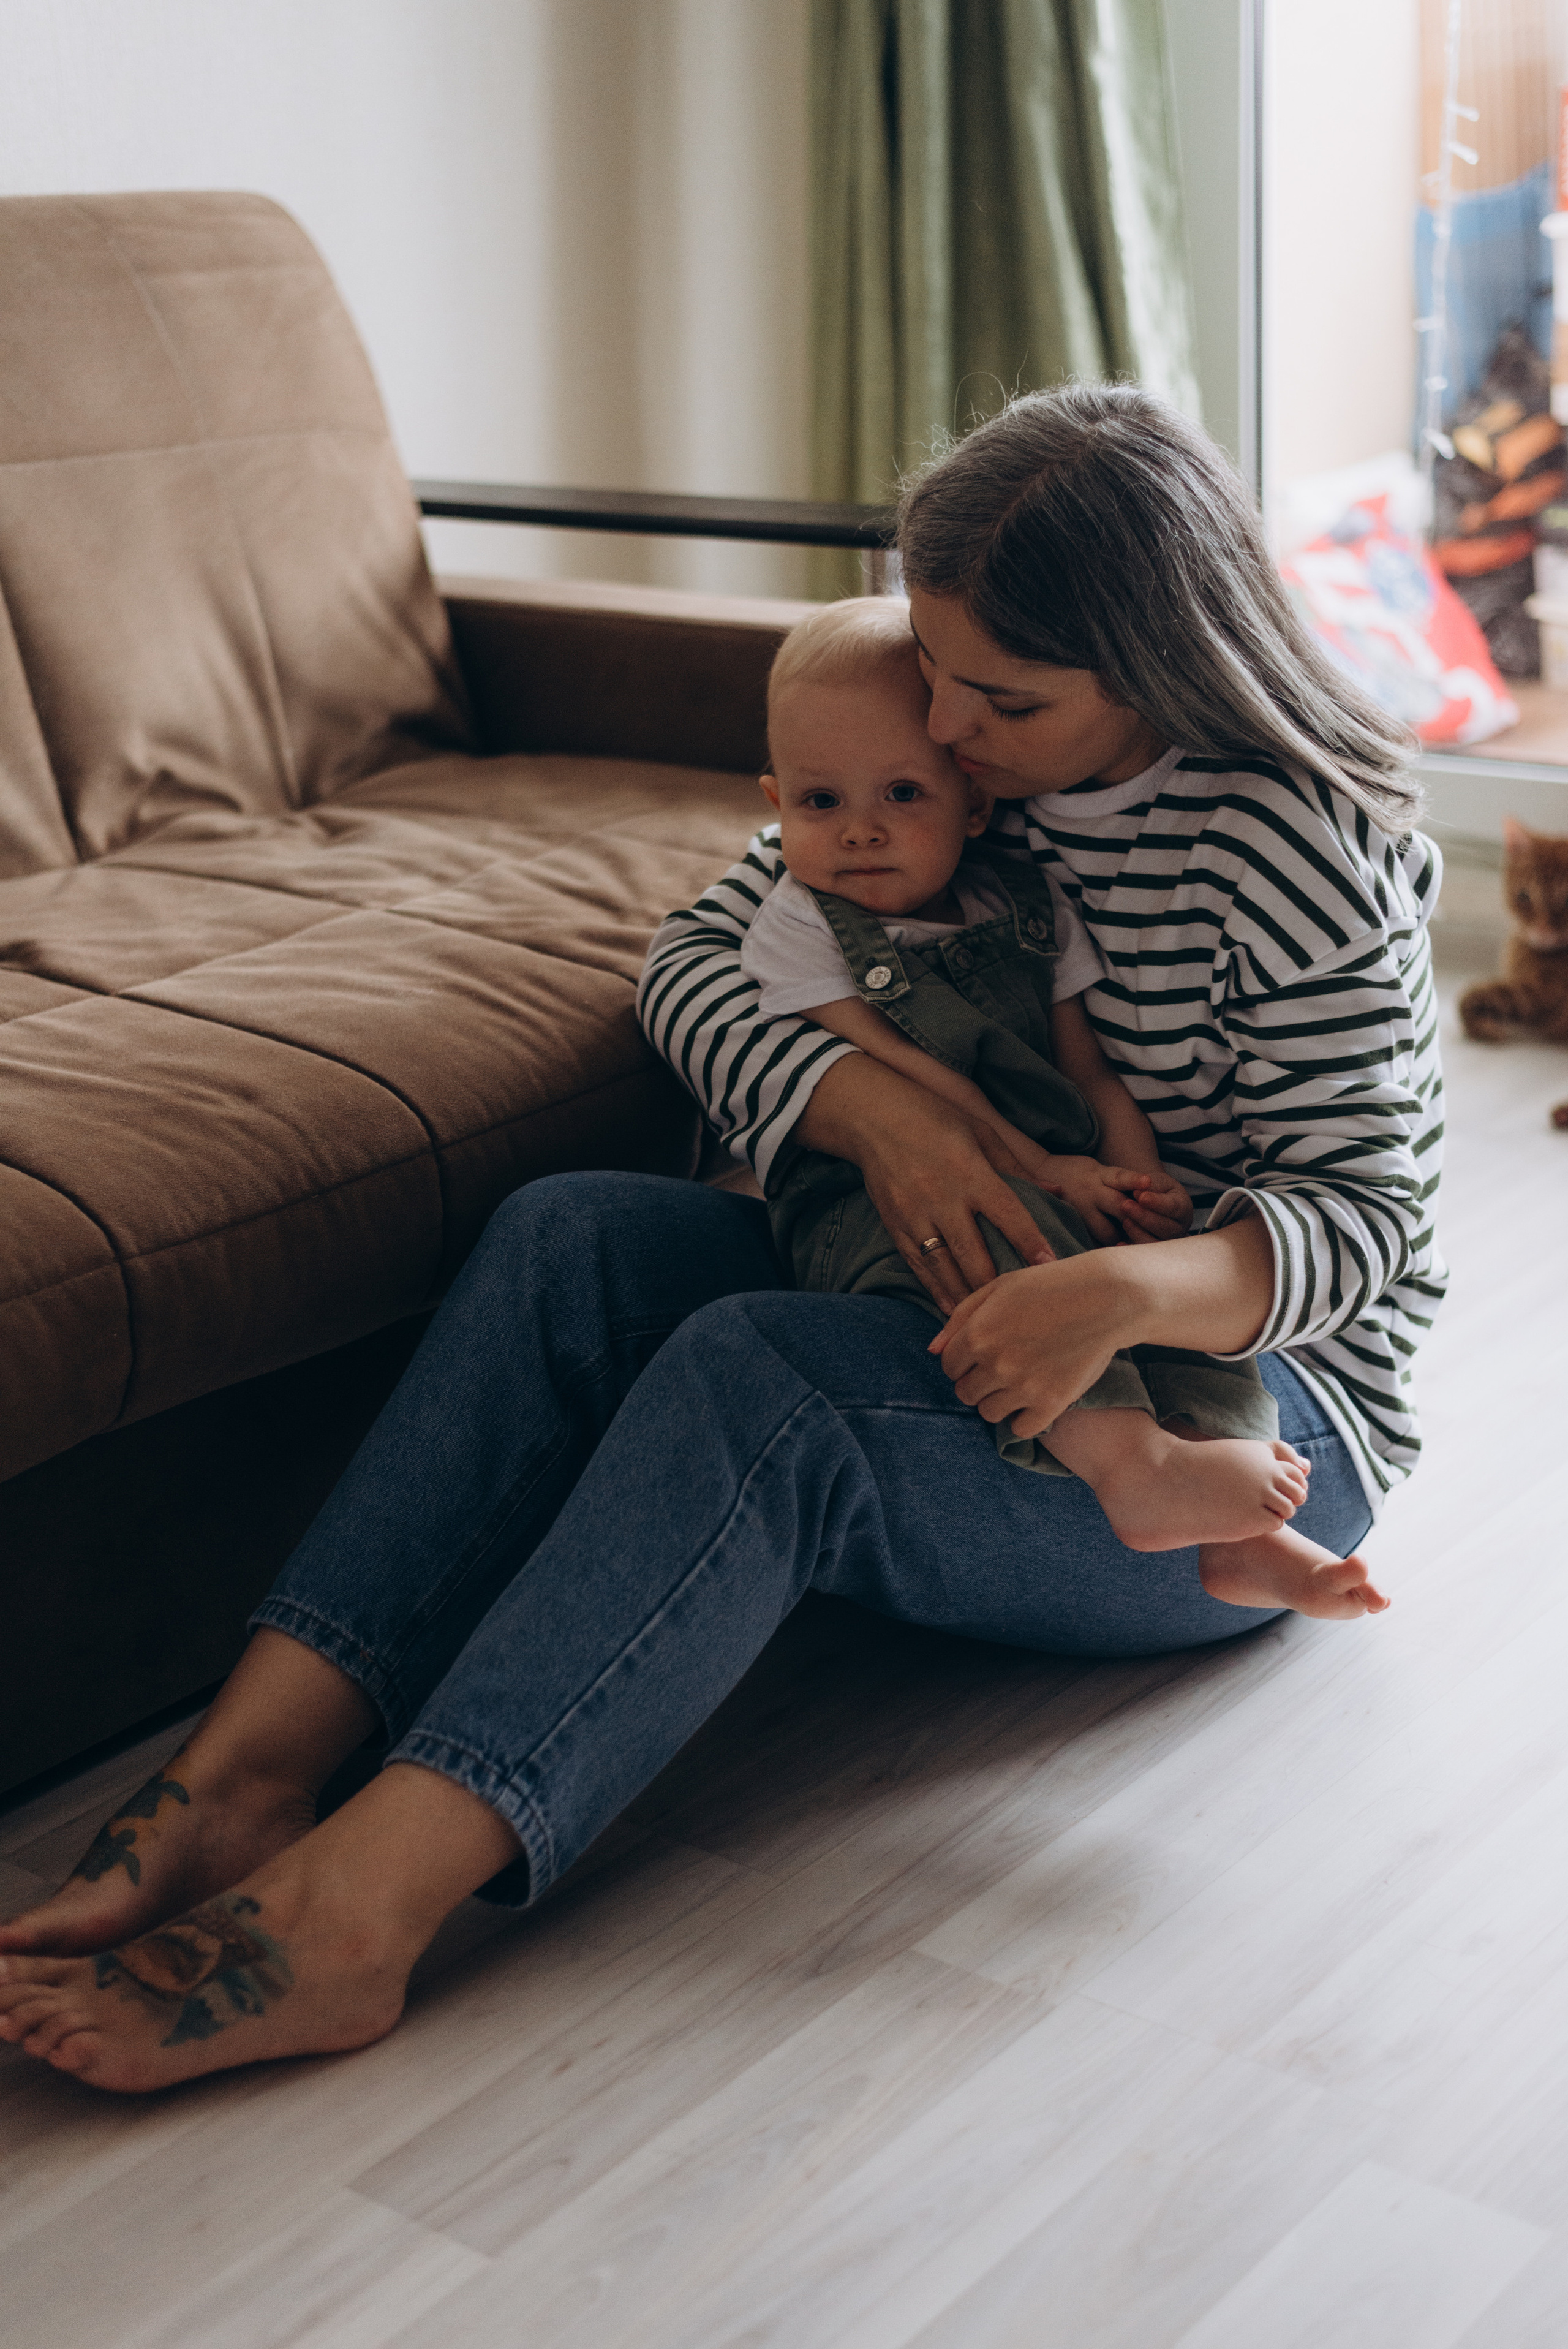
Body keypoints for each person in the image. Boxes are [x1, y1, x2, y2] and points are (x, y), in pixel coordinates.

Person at [0, 385, 1440, 2096]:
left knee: (761, 1374)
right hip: (970, 1304)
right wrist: (878, 1112)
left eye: (1004, 698)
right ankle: (246, 1769)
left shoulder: (1295, 852)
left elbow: (1367, 1225)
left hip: (1254, 1428)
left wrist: (1112, 1292)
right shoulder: (977, 770)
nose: (950, 728)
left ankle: (364, 1910)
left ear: (1155, 666)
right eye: (937, 666)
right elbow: (701, 958)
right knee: (570, 1242)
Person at [742, 594, 1340, 1591]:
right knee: (1024, 1242)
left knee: (1154, 1263)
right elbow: (934, 1106)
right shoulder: (797, 925)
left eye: (901, 795)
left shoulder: (1024, 901)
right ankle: (1130, 1468)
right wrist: (1054, 1172)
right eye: (819, 803)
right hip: (881, 1205)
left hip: (1055, 1171)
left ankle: (1237, 1524)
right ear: (775, 800)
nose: (859, 833)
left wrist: (1133, 1176)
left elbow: (1088, 1068)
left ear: (970, 802)